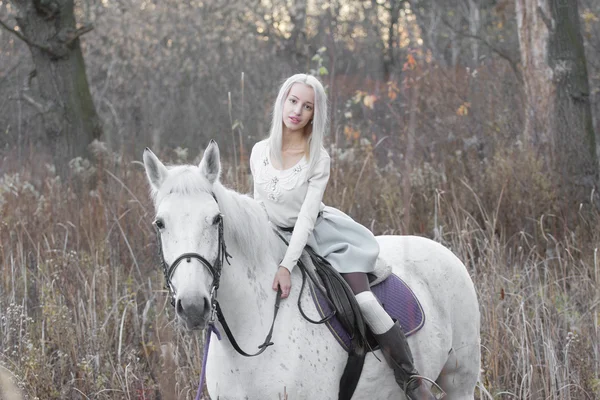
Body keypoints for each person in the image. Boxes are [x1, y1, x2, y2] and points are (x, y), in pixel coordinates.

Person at [249, 73, 437, 400]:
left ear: (314, 115)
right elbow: (256, 207)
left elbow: (306, 218)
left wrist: (285, 266)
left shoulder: (317, 158)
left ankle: (411, 382)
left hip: (321, 236)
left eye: (307, 106)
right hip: (272, 236)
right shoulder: (258, 152)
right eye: (293, 101)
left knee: (364, 300)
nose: (297, 111)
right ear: (282, 102)